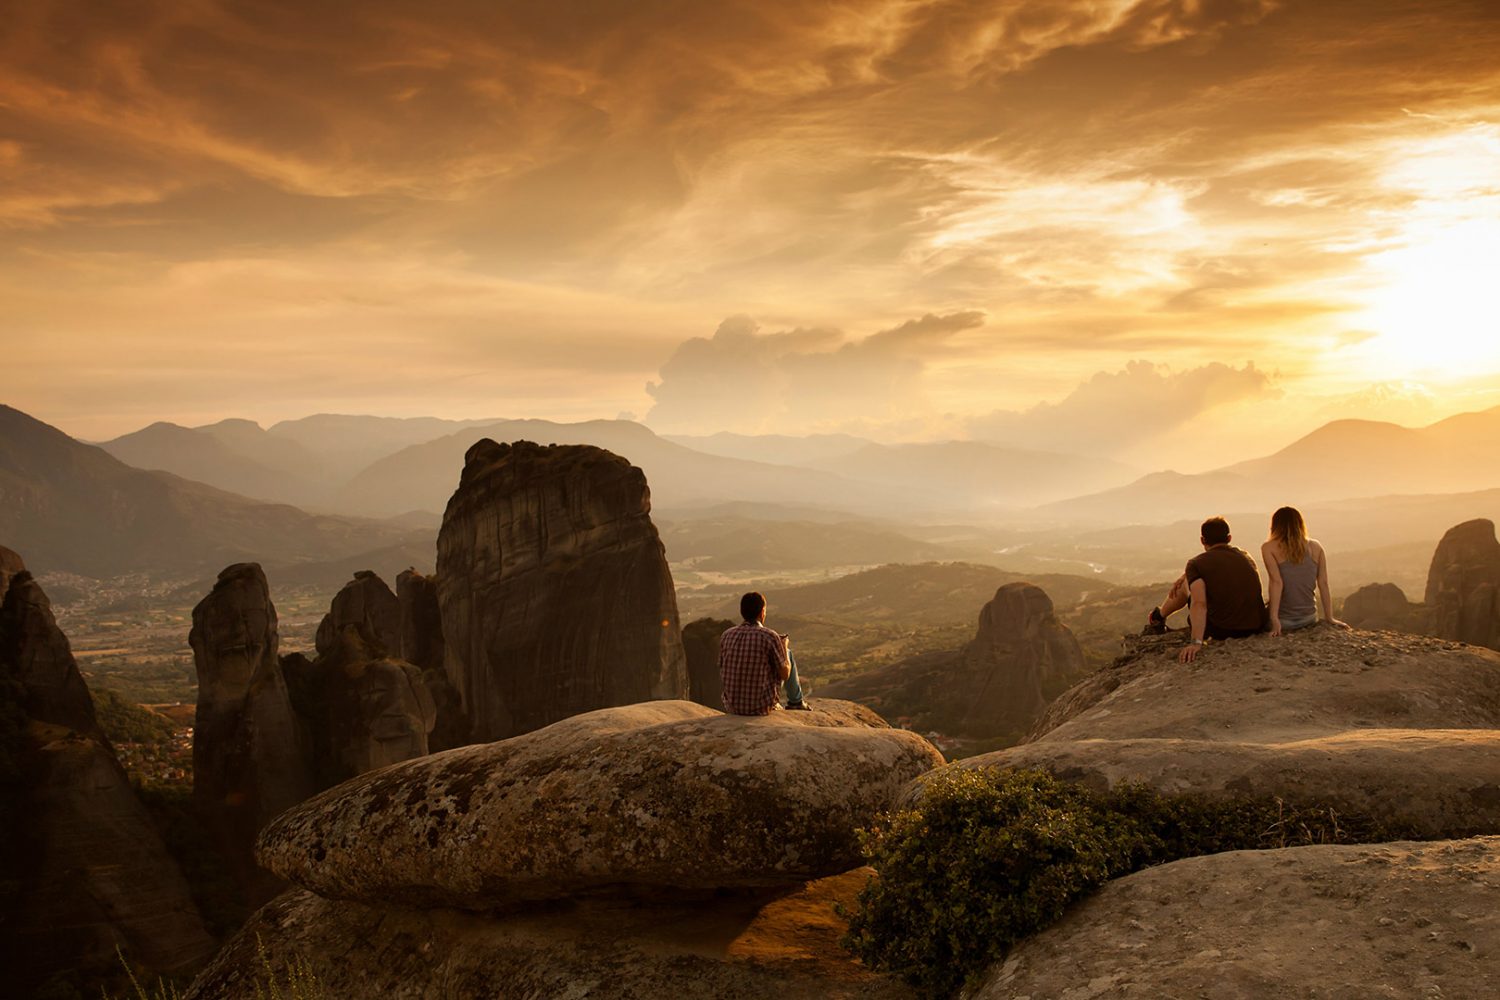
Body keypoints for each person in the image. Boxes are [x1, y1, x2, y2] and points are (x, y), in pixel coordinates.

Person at [1144, 516, 1266, 662]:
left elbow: (1199, 603)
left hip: (1221, 629)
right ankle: (1159, 615)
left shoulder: (1197, 563)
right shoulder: (1245, 557)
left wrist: (1196, 643)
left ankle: (1159, 617)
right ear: (1229, 538)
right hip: (1256, 624)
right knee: (1190, 580)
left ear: (1202, 540)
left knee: (1187, 585)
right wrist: (1186, 575)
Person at [1261, 506, 1351, 635]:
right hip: (1308, 618)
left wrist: (1274, 620)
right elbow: (1323, 583)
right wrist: (1329, 617)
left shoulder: (1268, 547)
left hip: (1283, 621)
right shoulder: (1316, 547)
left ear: (1275, 525)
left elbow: (1276, 582)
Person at [718, 591, 810, 714]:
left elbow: (722, 666)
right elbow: (785, 675)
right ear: (762, 612)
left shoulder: (727, 635)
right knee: (787, 652)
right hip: (760, 707)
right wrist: (783, 646)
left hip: (733, 707)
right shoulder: (769, 636)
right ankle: (796, 702)